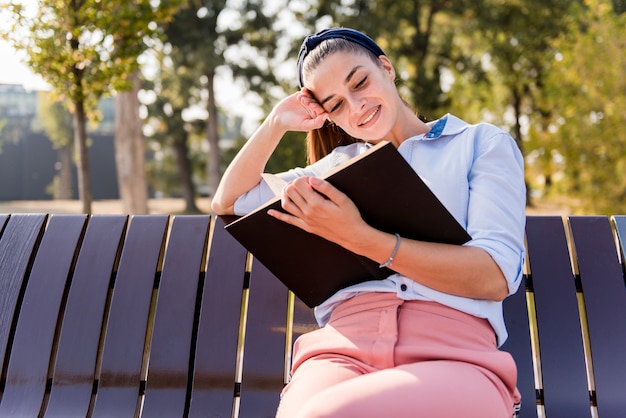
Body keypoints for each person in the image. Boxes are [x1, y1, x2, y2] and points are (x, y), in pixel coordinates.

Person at [211, 27, 526, 418]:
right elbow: (231, 201)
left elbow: (494, 276)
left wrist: (360, 237)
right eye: (336, 105)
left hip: (453, 354)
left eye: (360, 83)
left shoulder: (478, 144)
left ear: (386, 68)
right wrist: (275, 123)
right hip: (341, 352)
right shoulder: (333, 172)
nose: (356, 107)